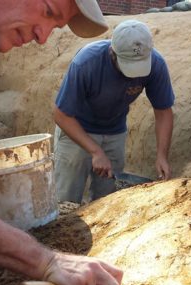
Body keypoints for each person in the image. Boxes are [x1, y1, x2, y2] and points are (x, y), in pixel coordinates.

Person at [0, 0, 123, 285]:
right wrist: (47, 261)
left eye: (54, 26)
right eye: (48, 11)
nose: (42, 37)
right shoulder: (88, 65)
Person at [54, 19, 175, 204]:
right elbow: (61, 114)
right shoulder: (86, 63)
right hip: (76, 130)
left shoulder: (156, 64)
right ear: (113, 52)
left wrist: (162, 156)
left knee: (108, 200)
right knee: (66, 201)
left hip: (114, 131)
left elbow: (164, 111)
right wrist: (95, 151)